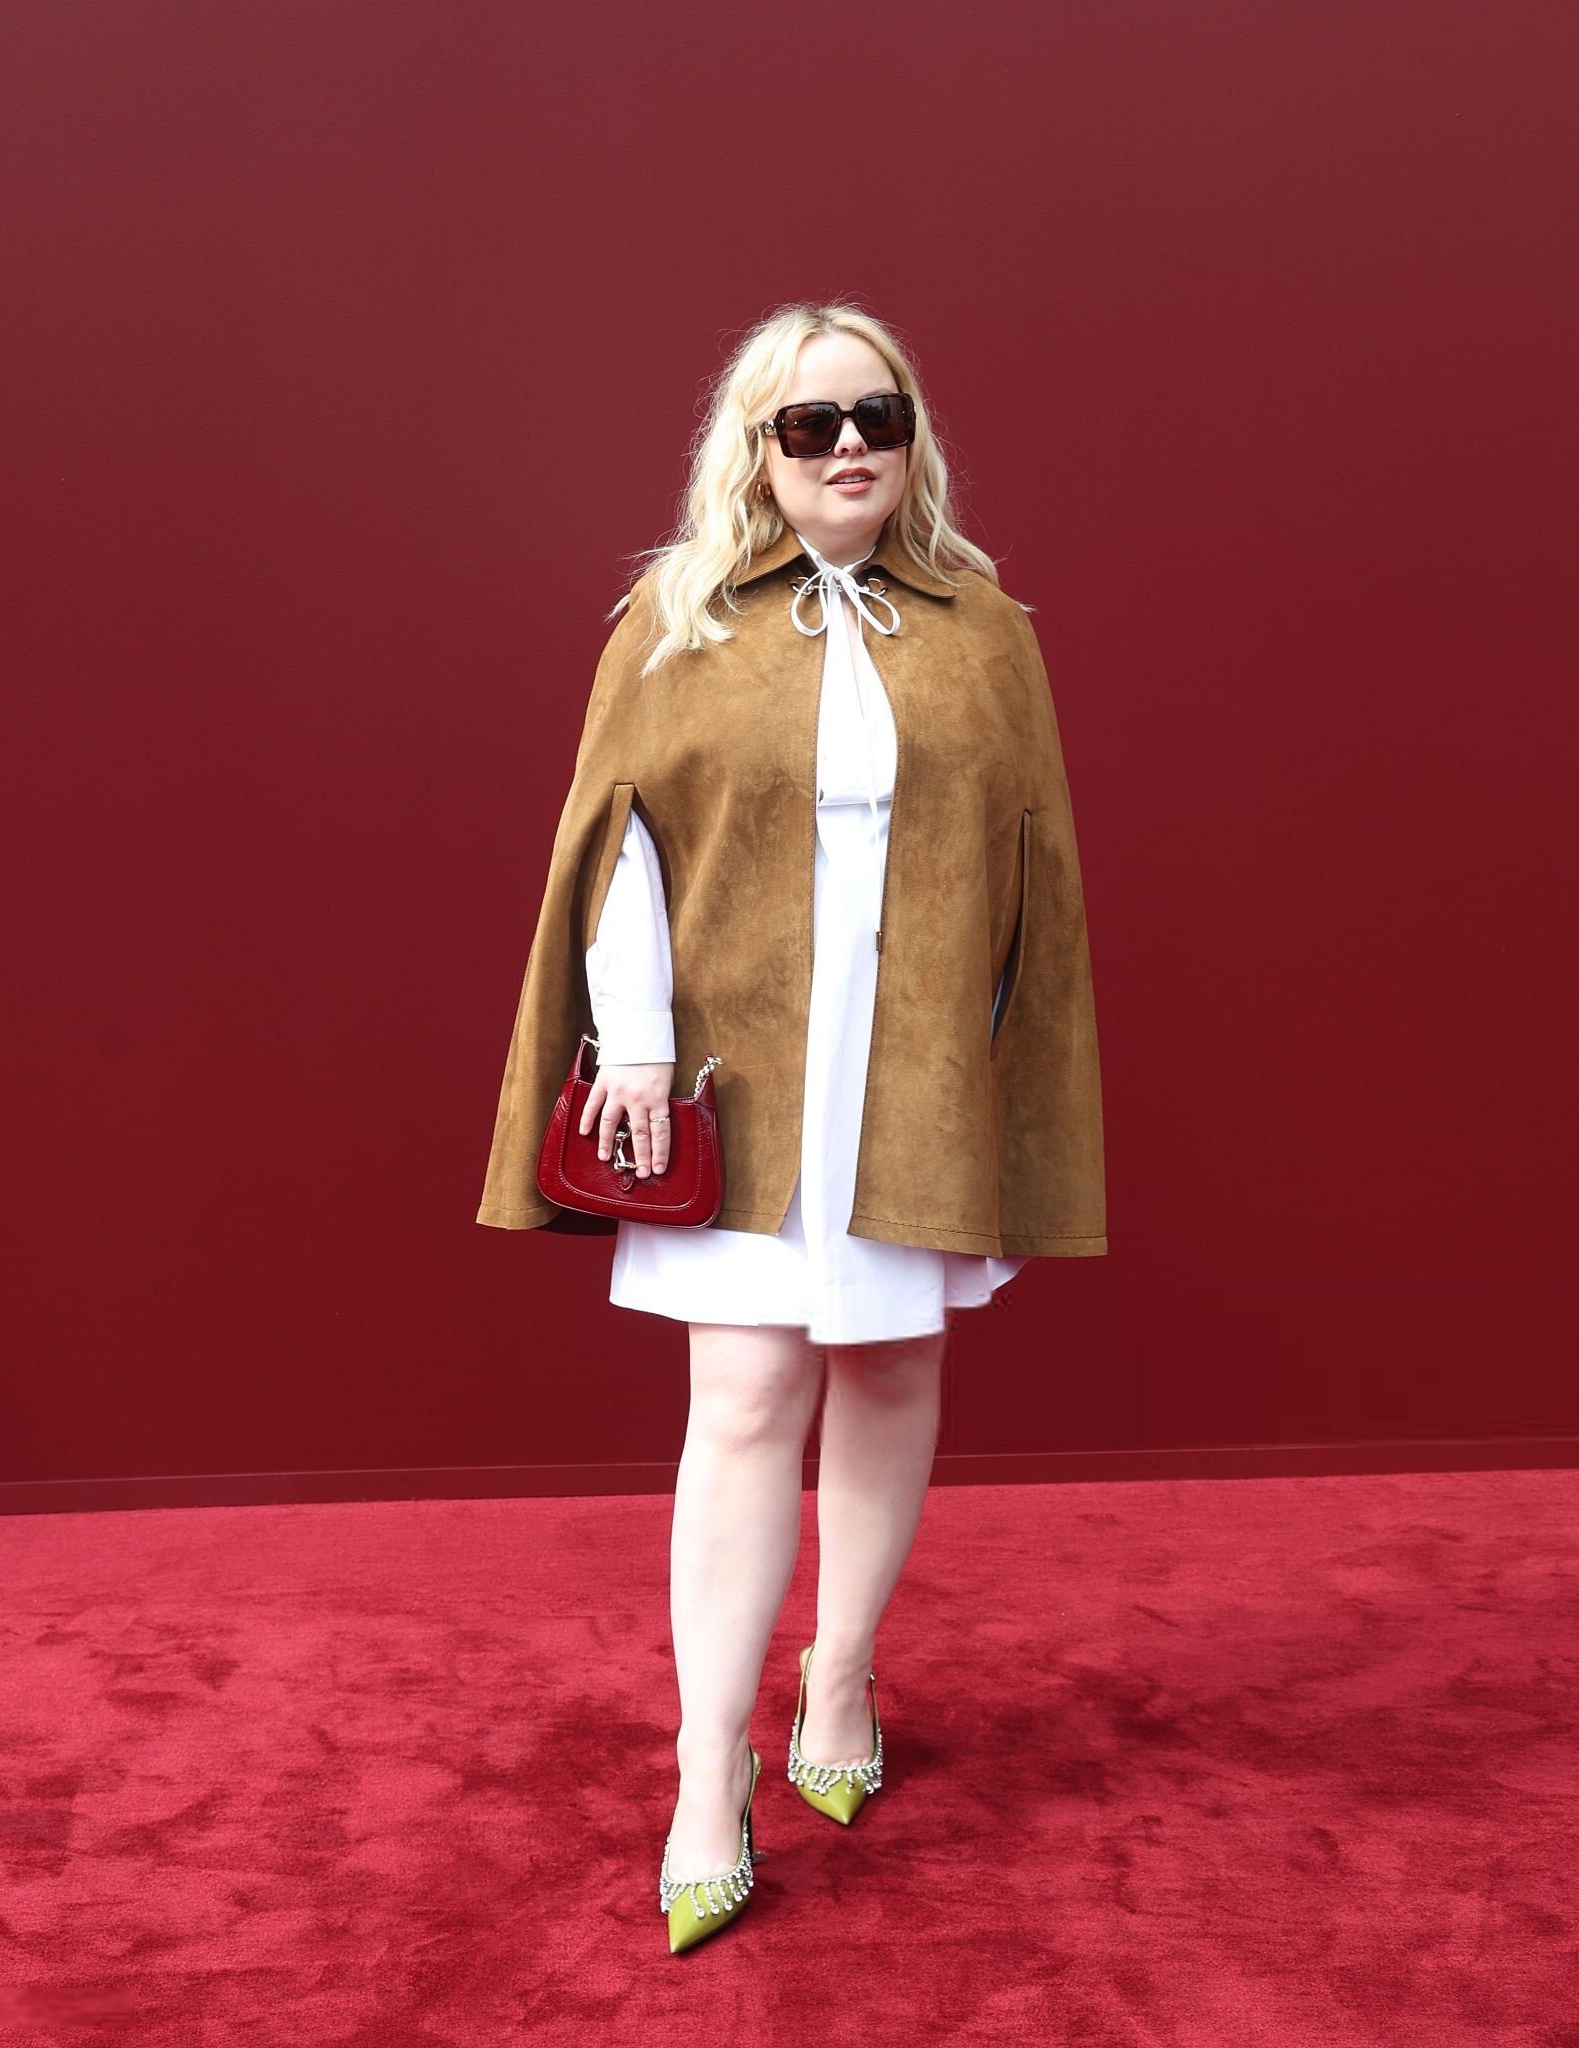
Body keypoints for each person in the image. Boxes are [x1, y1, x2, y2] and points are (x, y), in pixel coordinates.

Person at [476, 303, 1106, 1953]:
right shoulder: (675, 614)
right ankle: (708, 1767)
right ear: (754, 447)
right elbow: (619, 839)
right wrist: (632, 1039)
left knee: (889, 1369)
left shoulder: (980, 625)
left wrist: (992, 1078)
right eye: (809, 424)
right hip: (743, 1063)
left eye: (874, 418)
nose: (846, 449)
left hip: (912, 1066)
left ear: (912, 437)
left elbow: (1025, 867)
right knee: (748, 1395)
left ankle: (840, 1672)